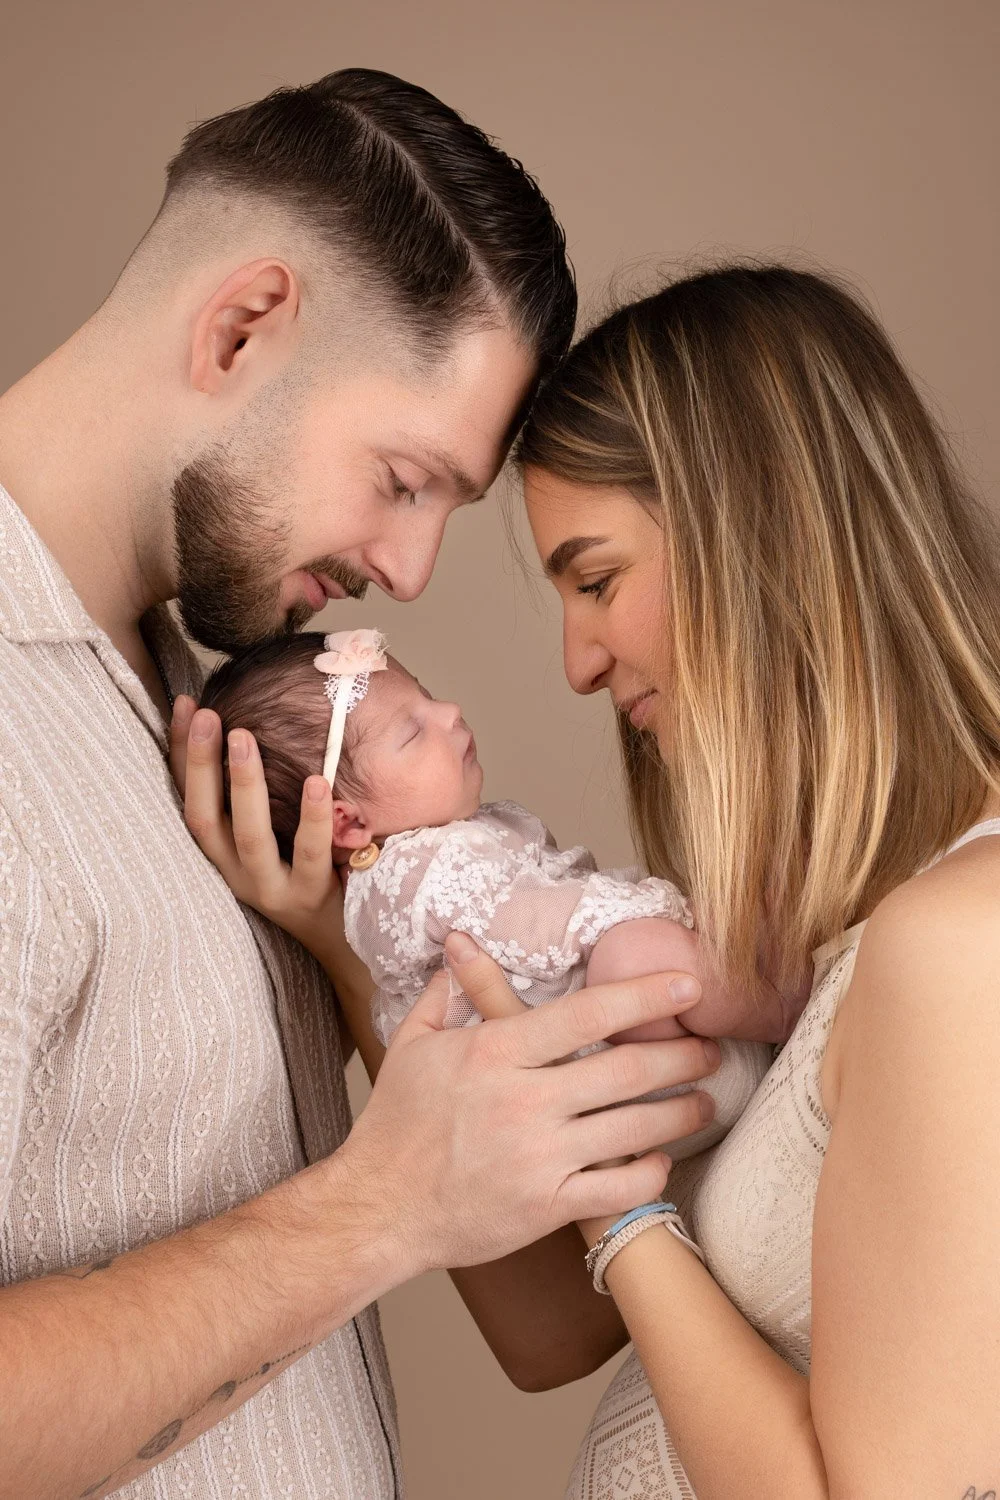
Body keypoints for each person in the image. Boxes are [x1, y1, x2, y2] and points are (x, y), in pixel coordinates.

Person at [0, 71, 722, 1499]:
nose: (410, 569)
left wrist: (343, 953)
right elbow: (392, 1214)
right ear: (243, 326)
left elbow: (550, 1326)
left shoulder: (214, 711)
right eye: (403, 479)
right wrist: (379, 1208)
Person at [504, 262, 1000, 1496]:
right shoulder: (838, 934)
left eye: (597, 581)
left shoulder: (960, 943)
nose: (577, 661)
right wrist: (360, 929)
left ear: (755, 536)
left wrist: (620, 1217)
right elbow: (552, 1336)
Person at [195, 625, 783, 1151]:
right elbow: (536, 924)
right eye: (412, 732)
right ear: (348, 824)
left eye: (428, 695)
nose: (449, 712)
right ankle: (790, 1000)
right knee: (637, 952)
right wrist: (666, 907)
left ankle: (771, 977)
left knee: (722, 907)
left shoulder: (441, 841)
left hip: (649, 1055)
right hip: (620, 1077)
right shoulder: (410, 878)